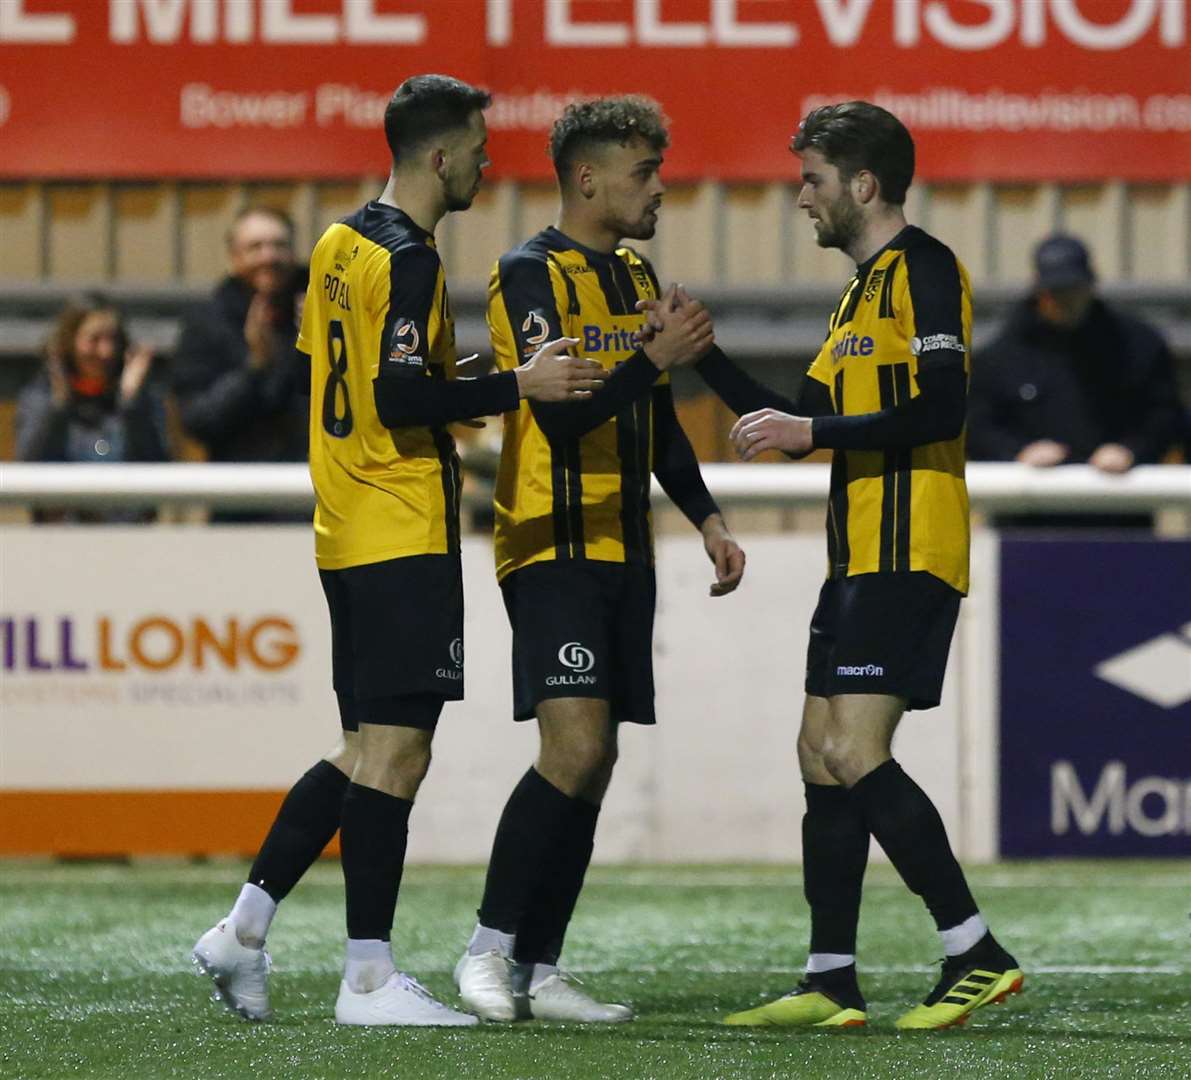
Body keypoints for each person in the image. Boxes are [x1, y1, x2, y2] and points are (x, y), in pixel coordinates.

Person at [191, 73, 612, 1028]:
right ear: (438, 156)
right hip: (399, 525)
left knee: (360, 749)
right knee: (399, 755)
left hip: (344, 522)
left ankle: (242, 930)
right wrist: (516, 384)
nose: (485, 161)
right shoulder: (412, 259)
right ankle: (368, 980)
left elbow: (332, 371)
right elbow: (397, 399)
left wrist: (448, 377)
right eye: (476, 146)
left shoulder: (338, 241)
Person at [658, 101, 1022, 1031]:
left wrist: (809, 429)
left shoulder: (926, 269)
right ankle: (831, 979)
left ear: (863, 184)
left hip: (908, 549)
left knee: (855, 750)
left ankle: (971, 950)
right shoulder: (860, 296)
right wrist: (702, 359)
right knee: (820, 760)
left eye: (812, 180)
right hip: (856, 555)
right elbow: (794, 418)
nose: (800, 198)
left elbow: (939, 411)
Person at [453, 96, 745, 1024]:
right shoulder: (526, 273)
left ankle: (539, 966)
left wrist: (703, 516)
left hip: (627, 546)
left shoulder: (632, 272)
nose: (659, 188)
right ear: (587, 178)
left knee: (598, 756)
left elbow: (651, 418)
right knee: (571, 745)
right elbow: (564, 410)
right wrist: (650, 360)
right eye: (643, 172)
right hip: (549, 543)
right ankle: (487, 950)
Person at [968, 233, 1181, 527]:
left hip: (1119, 517)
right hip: (1027, 522)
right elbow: (976, 426)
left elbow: (1166, 416)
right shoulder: (1001, 356)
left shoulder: (1137, 347)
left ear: (1091, 284)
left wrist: (1132, 450)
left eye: (1072, 289)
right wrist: (1017, 452)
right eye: (1055, 292)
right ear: (1038, 291)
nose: (1064, 301)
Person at [171, 205, 310, 519]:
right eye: (255, 247)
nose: (268, 256)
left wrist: (320, 352)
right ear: (234, 258)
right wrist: (254, 369)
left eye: (279, 245)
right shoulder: (206, 323)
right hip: (240, 502)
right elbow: (197, 420)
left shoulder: (328, 309)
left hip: (321, 498)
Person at [16, 294, 168, 519]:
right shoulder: (41, 396)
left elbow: (159, 468)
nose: (105, 352)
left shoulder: (139, 398)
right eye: (94, 339)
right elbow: (28, 468)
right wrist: (58, 409)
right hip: (62, 536)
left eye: (112, 339)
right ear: (69, 342)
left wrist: (131, 404)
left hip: (127, 535)